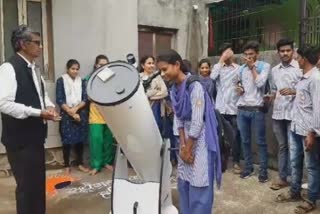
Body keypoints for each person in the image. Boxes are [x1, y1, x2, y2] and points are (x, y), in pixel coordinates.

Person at [0, 25, 60, 214]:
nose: (41, 47)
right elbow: (3, 103)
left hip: (35, 138)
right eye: (37, 43)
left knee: (37, 185)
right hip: (19, 140)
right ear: (23, 44)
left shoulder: (34, 69)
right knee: (26, 189)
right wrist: (38, 113)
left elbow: (42, 96)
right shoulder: (9, 68)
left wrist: (48, 106)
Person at [157, 49, 221, 214]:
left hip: (201, 140)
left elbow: (198, 121)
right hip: (184, 139)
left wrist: (189, 147)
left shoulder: (195, 86)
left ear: (177, 65)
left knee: (200, 180)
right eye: (160, 71)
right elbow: (178, 117)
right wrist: (183, 146)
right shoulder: (173, 89)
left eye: (165, 69)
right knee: (185, 180)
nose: (162, 74)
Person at [275, 45, 320, 214]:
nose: (295, 59)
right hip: (295, 128)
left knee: (312, 166)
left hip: (308, 131)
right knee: (295, 163)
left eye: (297, 57)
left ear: (304, 59)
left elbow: (318, 109)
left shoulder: (315, 79)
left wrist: (312, 133)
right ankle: (295, 192)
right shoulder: (303, 78)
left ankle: (311, 199)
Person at [269, 38, 302, 191]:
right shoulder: (274, 70)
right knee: (282, 146)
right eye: (282, 51)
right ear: (278, 53)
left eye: (288, 50)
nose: (285, 53)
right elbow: (274, 90)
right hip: (278, 113)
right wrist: (270, 97)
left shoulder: (299, 68)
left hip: (294, 114)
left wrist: (294, 91)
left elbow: (307, 90)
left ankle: (295, 181)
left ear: (293, 51)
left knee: (294, 148)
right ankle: (283, 178)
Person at [236, 41, 270, 183]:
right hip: (242, 109)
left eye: (251, 54)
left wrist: (252, 68)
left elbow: (260, 83)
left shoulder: (264, 66)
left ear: (257, 54)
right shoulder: (241, 69)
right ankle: (248, 167)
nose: (248, 57)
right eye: (246, 55)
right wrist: (239, 88)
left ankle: (263, 171)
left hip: (257, 109)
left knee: (261, 141)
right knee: (245, 141)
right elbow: (239, 84)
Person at [211, 43, 241, 174]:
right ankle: (221, 161)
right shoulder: (218, 68)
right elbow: (211, 78)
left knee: (235, 136)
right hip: (221, 108)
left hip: (234, 108)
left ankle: (236, 162)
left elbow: (242, 83)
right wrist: (221, 60)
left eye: (228, 51)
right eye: (224, 52)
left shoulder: (239, 69)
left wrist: (241, 89)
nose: (227, 54)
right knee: (220, 137)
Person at [56, 59, 89, 174]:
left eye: (77, 69)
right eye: (73, 69)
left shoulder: (82, 81)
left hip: (80, 113)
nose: (75, 71)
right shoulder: (61, 80)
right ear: (68, 69)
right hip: (66, 114)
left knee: (80, 140)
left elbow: (85, 99)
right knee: (67, 140)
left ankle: (80, 163)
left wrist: (76, 110)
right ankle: (66, 165)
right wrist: (71, 112)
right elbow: (59, 99)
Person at [85, 55, 115, 175]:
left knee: (108, 139)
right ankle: (96, 165)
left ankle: (107, 162)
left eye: (106, 64)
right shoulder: (90, 78)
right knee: (96, 140)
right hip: (96, 113)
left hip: (109, 112)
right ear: (96, 65)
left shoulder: (112, 78)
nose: (103, 67)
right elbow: (88, 96)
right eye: (101, 65)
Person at [139, 55, 168, 134]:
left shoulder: (157, 76)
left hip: (157, 110)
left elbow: (165, 92)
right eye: (149, 63)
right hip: (143, 111)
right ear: (143, 65)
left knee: (157, 132)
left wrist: (150, 97)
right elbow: (141, 94)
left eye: (152, 63)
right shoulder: (139, 77)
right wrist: (155, 90)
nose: (152, 65)